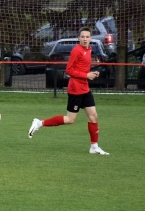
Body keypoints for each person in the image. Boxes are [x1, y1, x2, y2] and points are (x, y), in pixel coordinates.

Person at [28, 26, 109, 155]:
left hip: (85, 89)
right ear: (79, 38)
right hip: (75, 90)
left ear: (91, 38)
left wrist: (90, 73)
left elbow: (81, 68)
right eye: (82, 37)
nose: (85, 39)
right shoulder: (76, 51)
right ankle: (39, 123)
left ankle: (94, 146)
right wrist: (86, 76)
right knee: (70, 120)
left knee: (93, 117)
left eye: (87, 37)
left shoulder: (89, 50)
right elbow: (69, 70)